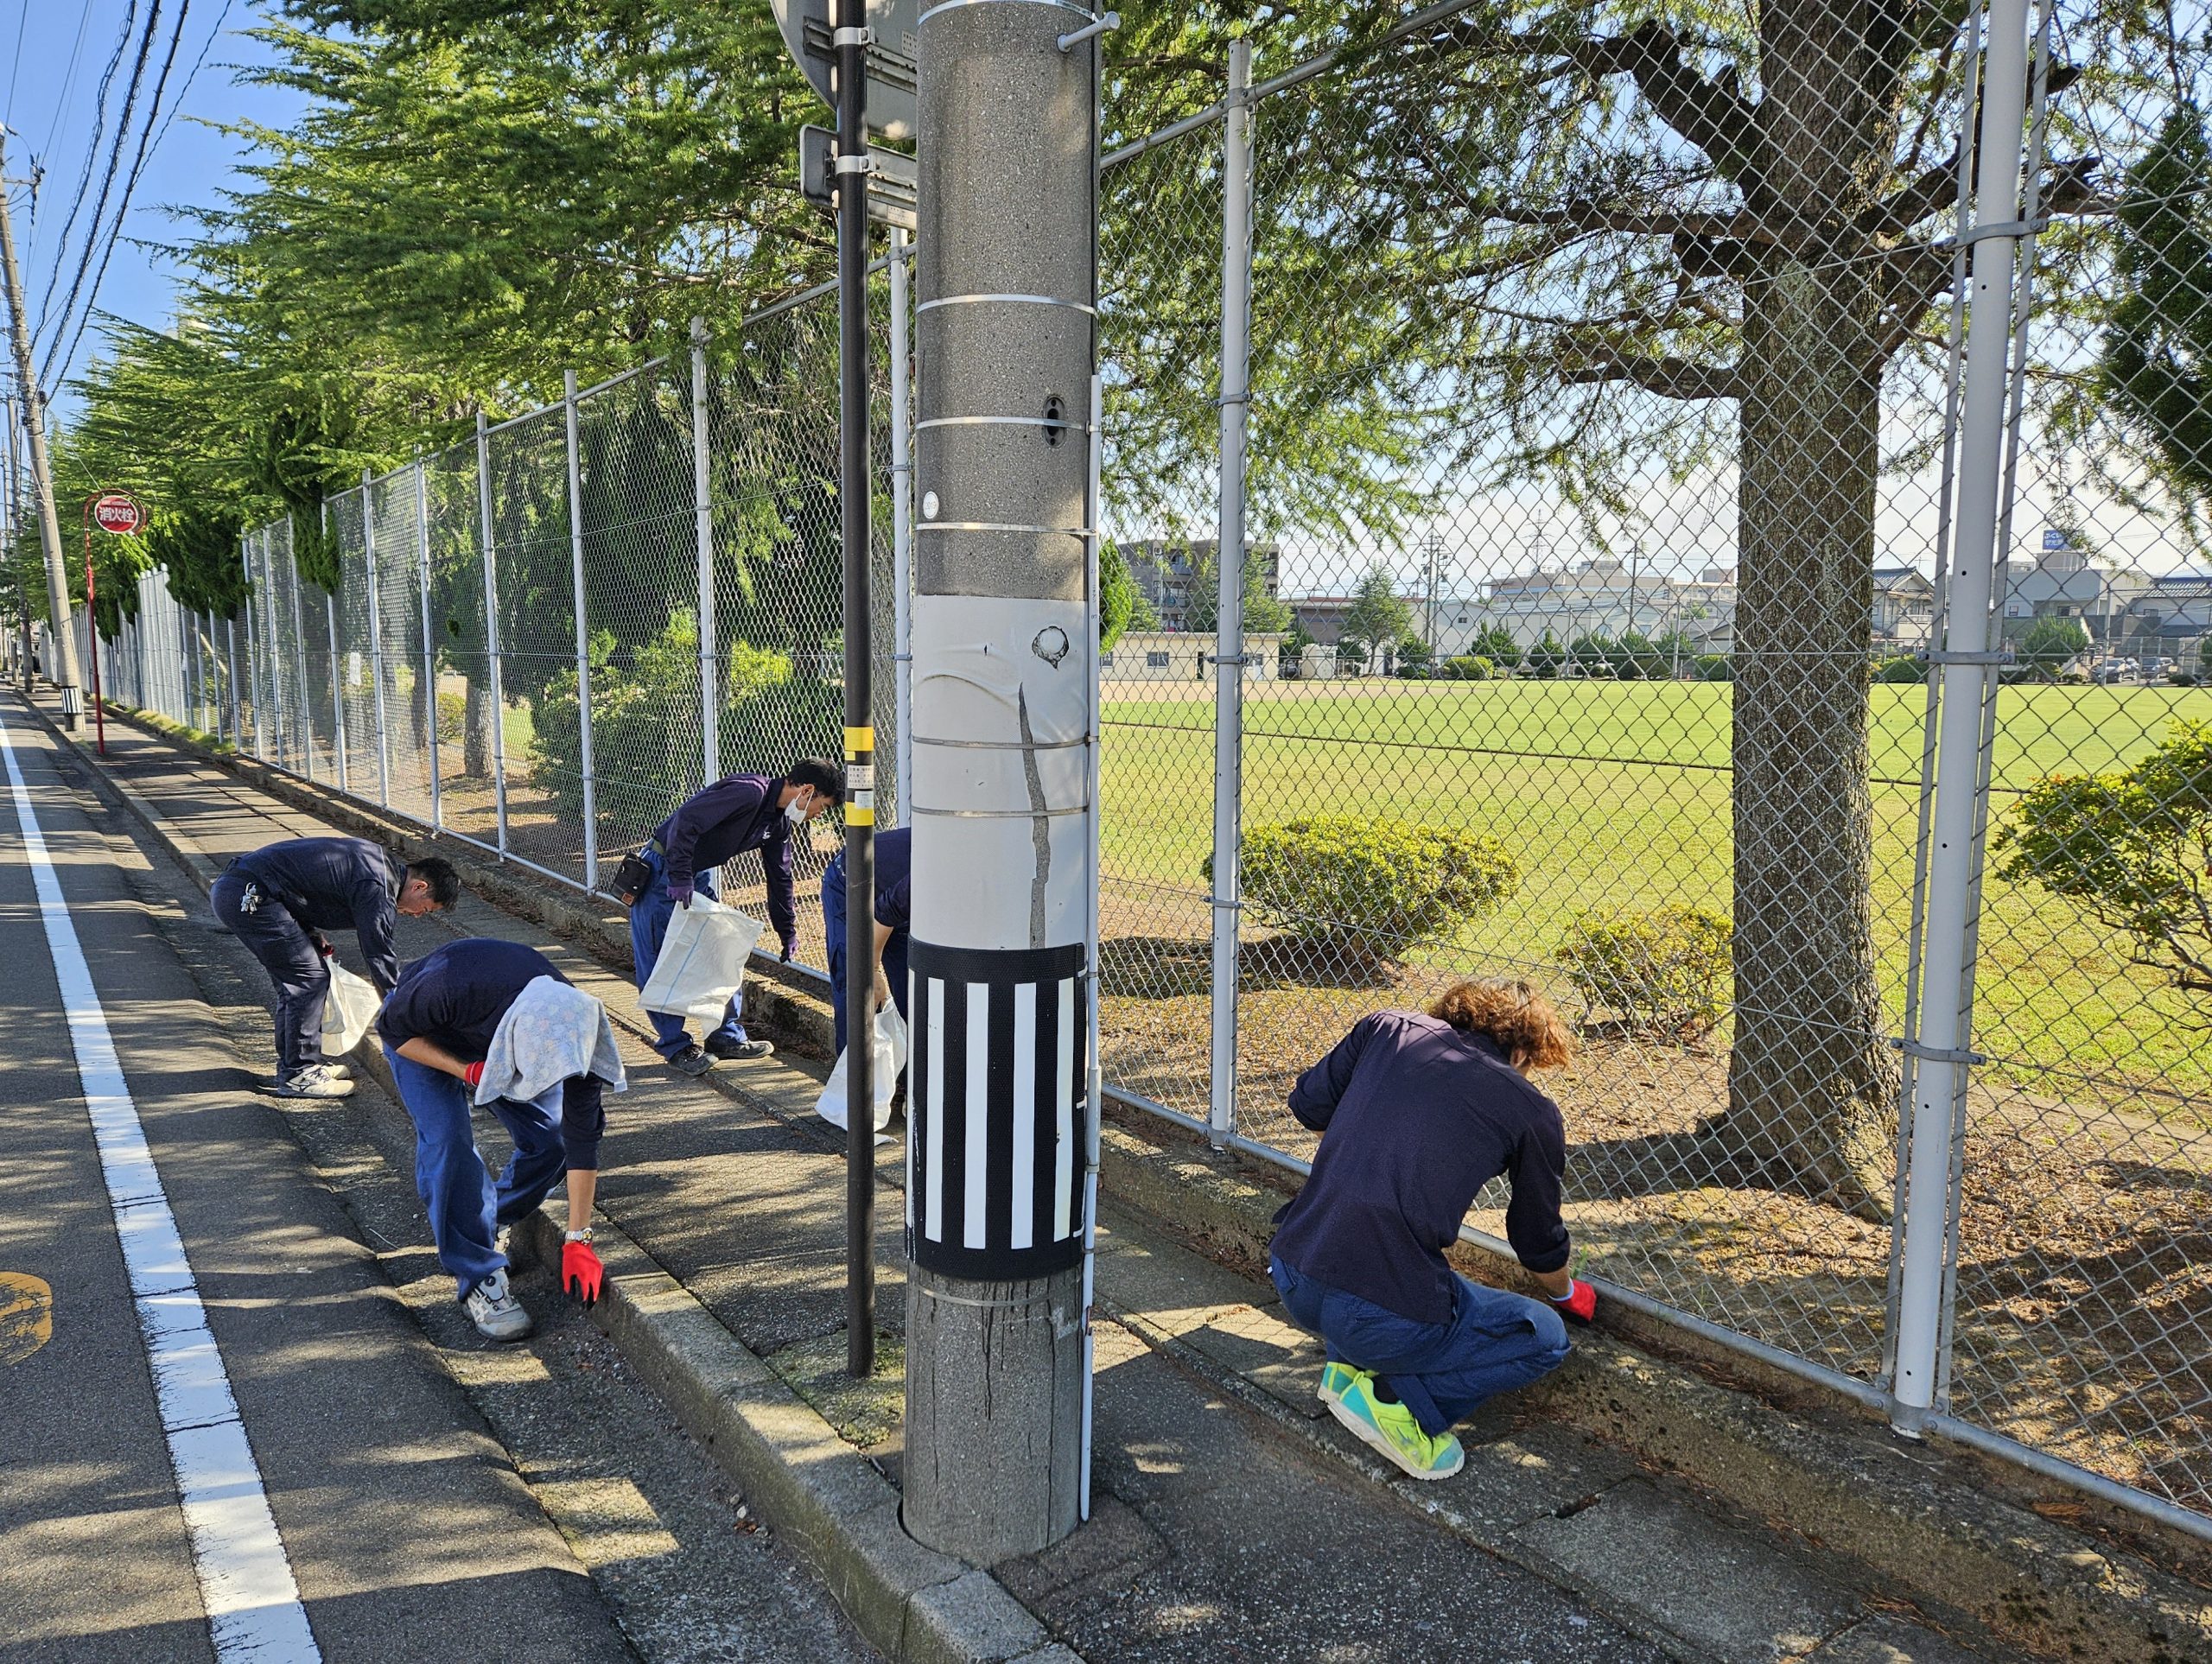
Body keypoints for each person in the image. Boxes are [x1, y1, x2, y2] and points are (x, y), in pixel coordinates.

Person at [1268, 978, 1596, 1481]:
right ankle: (1400, 1407)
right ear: (1526, 1049)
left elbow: (1309, 1106)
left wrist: (1367, 1153)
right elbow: (1536, 1243)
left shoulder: (1386, 1028)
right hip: (1379, 1313)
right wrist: (1565, 1293)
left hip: (1293, 1270)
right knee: (1544, 1337)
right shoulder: (1531, 1110)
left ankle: (1347, 1370)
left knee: (1388, 1278)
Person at [376, 937, 627, 1342]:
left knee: (551, 1139)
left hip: (496, 1044)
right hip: (419, 1040)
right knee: (449, 1144)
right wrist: (467, 1071)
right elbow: (392, 1030)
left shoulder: (577, 1029)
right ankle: (478, 1274)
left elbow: (580, 1141)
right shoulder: (448, 988)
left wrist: (578, 1238)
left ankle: (485, 1221)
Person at [628, 757, 843, 1077]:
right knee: (661, 957)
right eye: (822, 806)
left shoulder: (779, 822)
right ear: (807, 790)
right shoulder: (749, 792)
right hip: (665, 870)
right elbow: (686, 821)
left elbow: (780, 876)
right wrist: (679, 877)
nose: (818, 814)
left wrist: (787, 930)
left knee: (722, 950)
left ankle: (725, 1036)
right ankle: (676, 1045)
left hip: (694, 874)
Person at [211, 835, 461, 1098]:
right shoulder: (379, 886)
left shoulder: (377, 863)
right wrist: (401, 1013)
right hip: (251, 897)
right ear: (420, 887)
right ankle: (299, 1073)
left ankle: (300, 1065)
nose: (418, 915)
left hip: (246, 890)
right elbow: (378, 953)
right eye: (426, 909)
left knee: (301, 982)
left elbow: (298, 886)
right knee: (308, 980)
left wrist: (310, 935)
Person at [821, 823, 910, 1058]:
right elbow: (885, 911)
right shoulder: (936, 866)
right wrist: (872, 970)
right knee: (858, 981)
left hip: (896, 900)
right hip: (849, 884)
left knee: (912, 988)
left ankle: (908, 1078)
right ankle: (855, 1082)